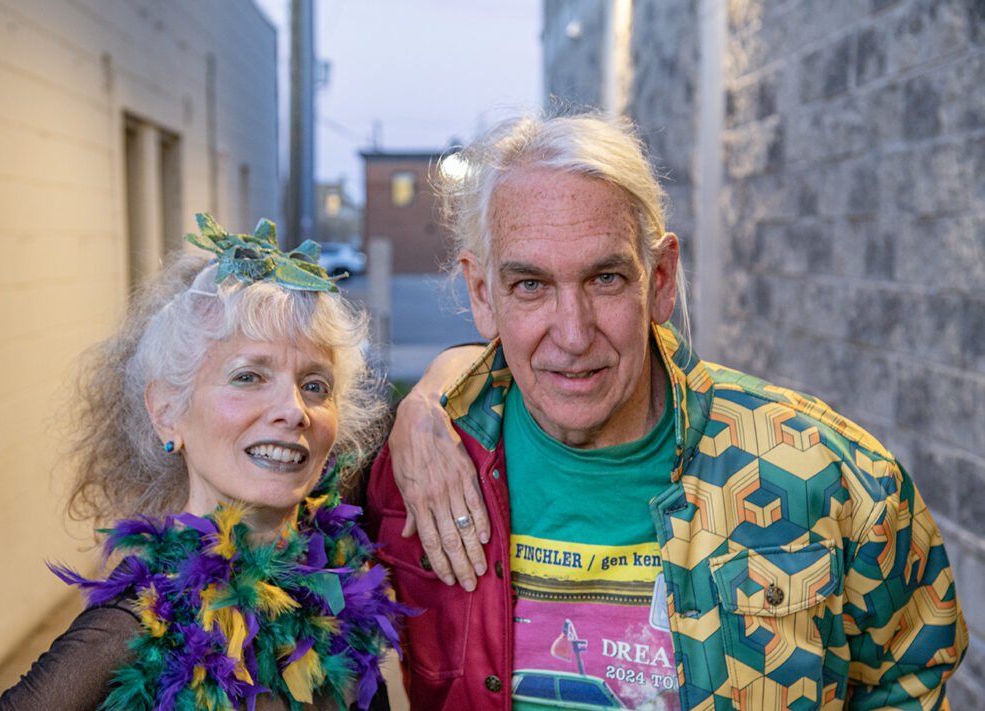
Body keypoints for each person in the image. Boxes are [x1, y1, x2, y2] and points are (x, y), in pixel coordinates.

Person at [364, 113, 968, 710]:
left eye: (605, 278)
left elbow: (908, 679)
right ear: (481, 293)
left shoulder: (827, 475)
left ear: (660, 279)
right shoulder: (417, 472)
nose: (572, 334)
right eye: (531, 285)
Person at [0, 214, 403, 711]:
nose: (294, 410)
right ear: (167, 412)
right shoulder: (133, 628)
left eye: (315, 386)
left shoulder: (341, 592)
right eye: (249, 376)